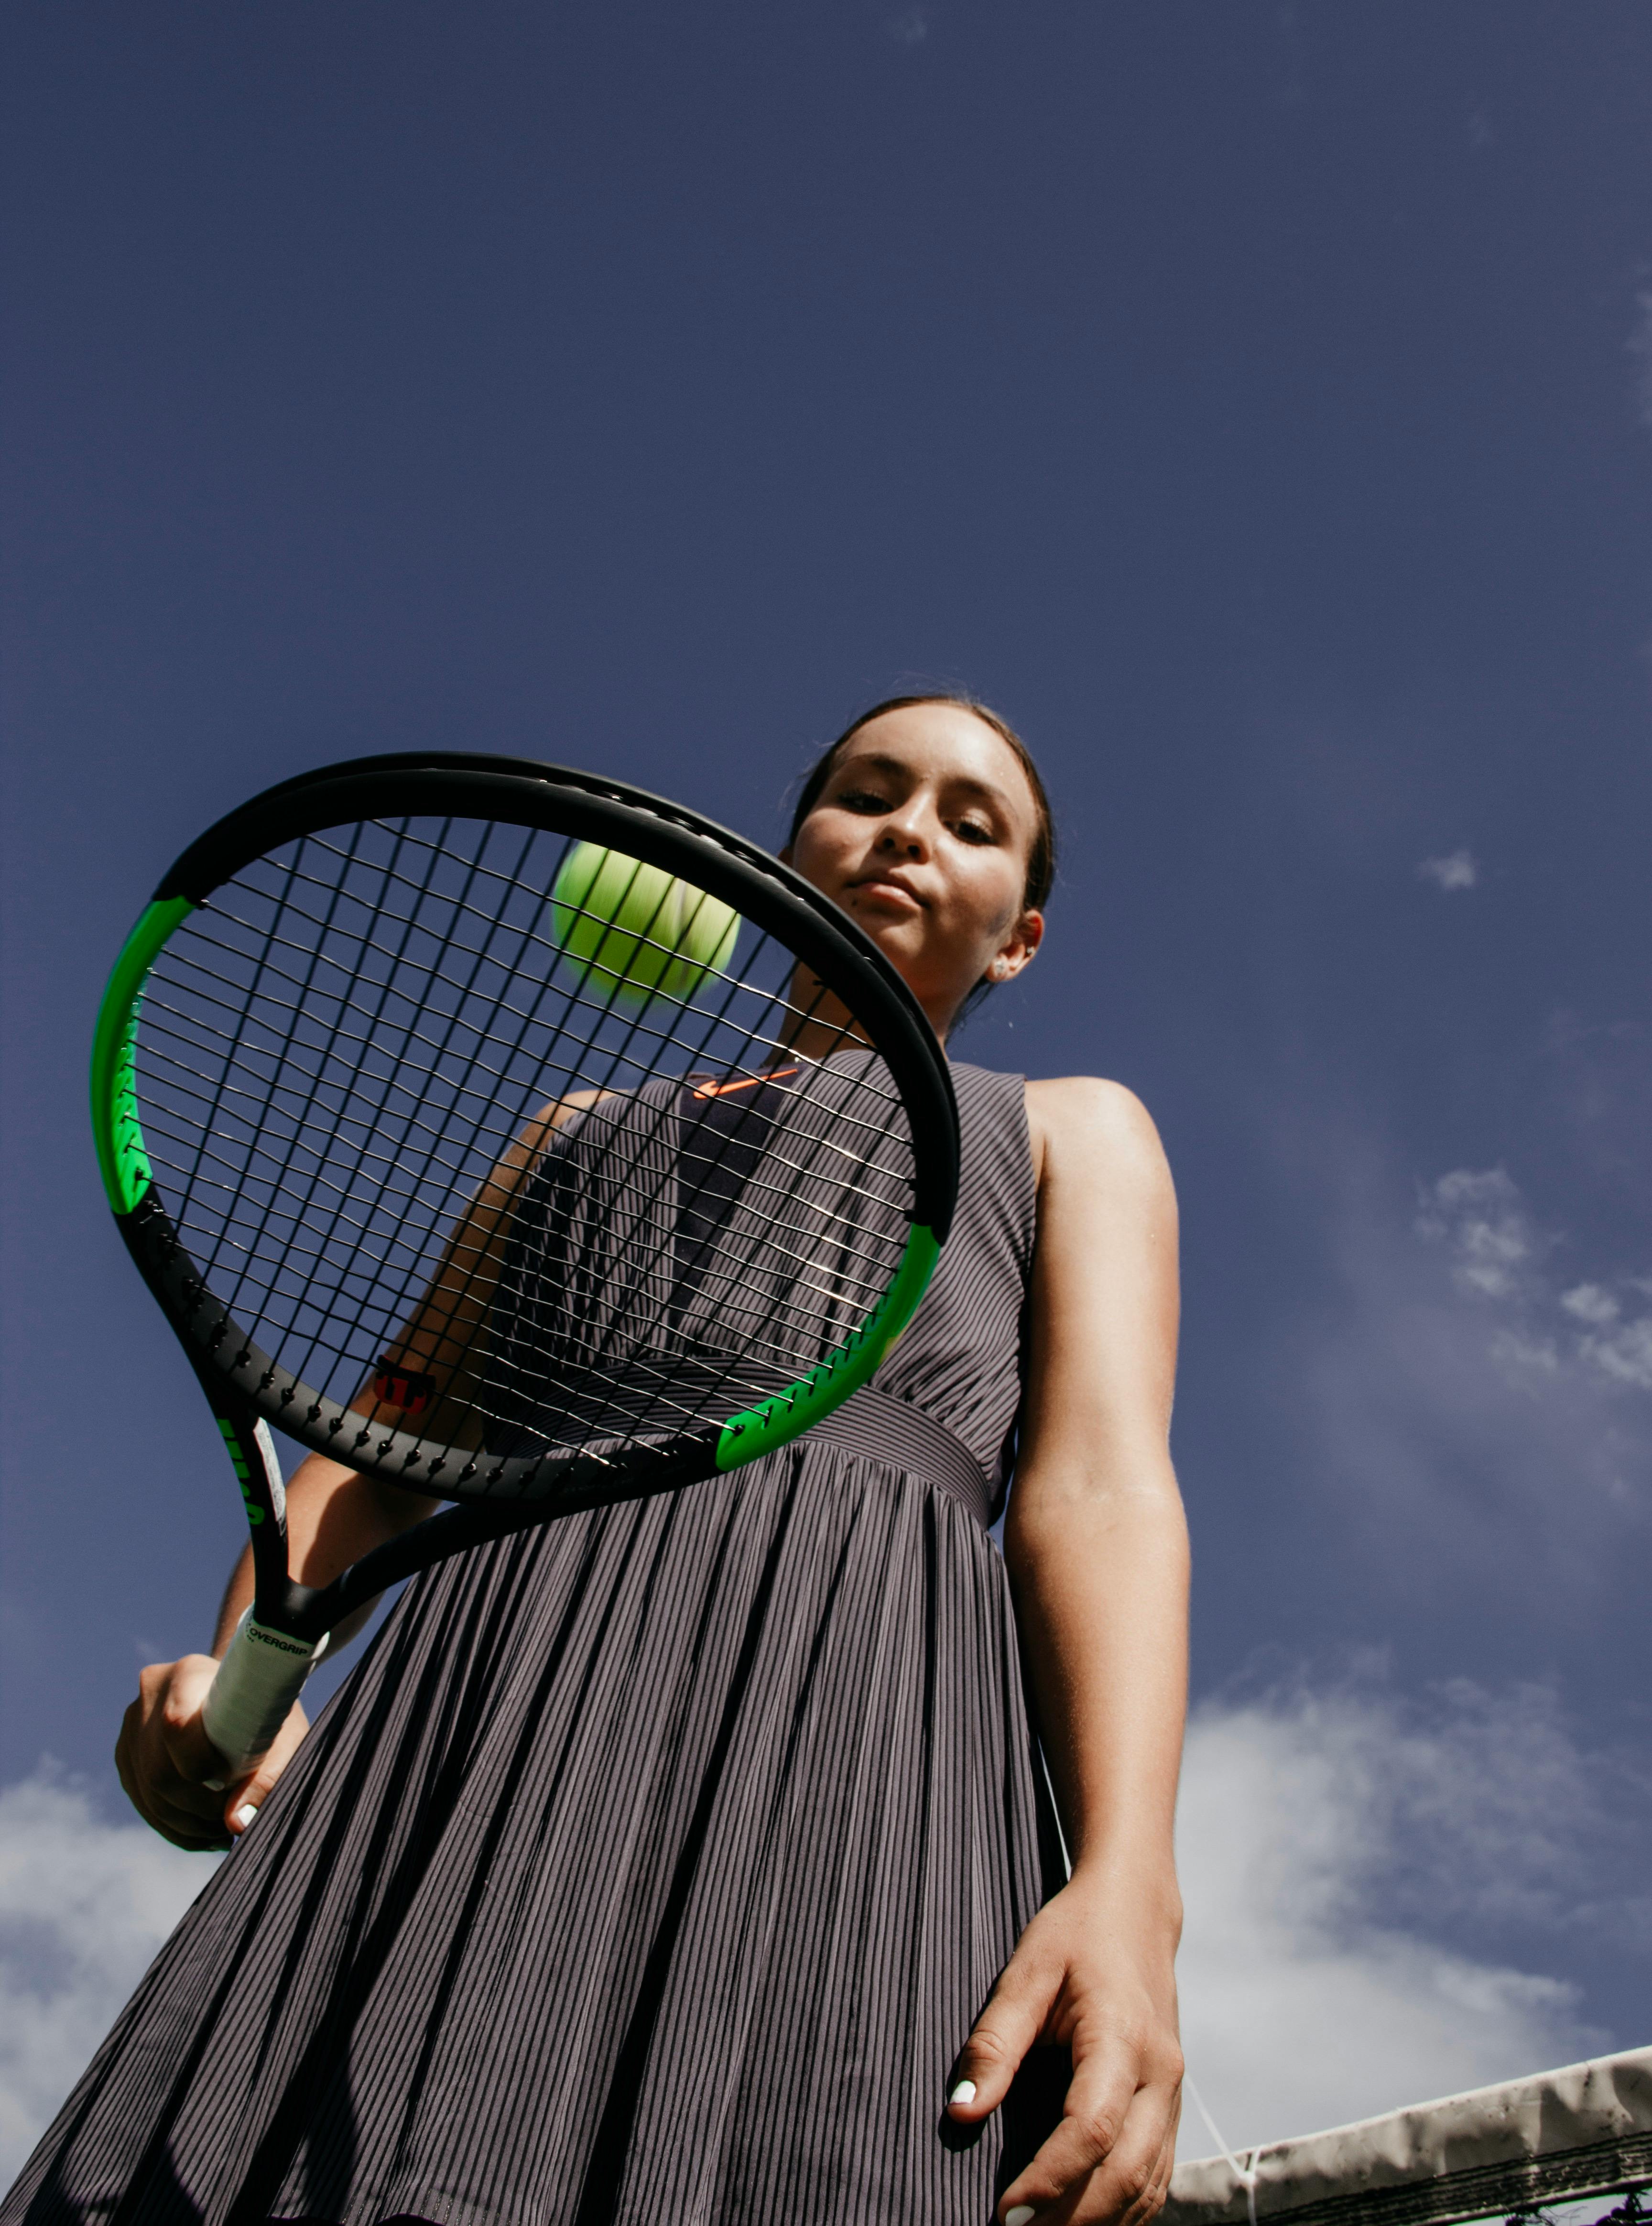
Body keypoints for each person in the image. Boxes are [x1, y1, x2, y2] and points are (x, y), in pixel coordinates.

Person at [12, 694, 1186, 2226]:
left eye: (970, 821)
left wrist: (1129, 1886)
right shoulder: (574, 1128)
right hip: (486, 1693)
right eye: (867, 793)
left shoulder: (1069, 1130)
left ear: (1017, 937)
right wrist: (237, 1673)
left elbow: (1097, 1489)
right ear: (786, 853)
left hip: (854, 1717)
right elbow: (393, 1442)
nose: (907, 829)